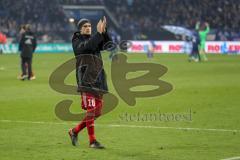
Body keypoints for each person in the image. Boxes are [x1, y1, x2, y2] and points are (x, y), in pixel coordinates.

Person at [69, 16, 111, 149]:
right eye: (85, 27)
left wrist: (104, 32)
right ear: (80, 29)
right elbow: (87, 48)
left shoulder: (95, 39)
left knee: (97, 112)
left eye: (90, 26)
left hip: (98, 79)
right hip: (86, 80)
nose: (88, 28)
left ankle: (74, 131)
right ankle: (92, 141)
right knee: (92, 110)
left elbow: (108, 46)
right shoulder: (77, 41)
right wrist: (98, 34)